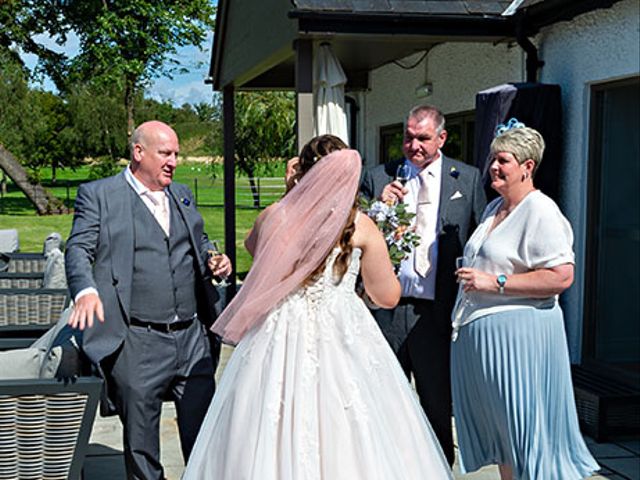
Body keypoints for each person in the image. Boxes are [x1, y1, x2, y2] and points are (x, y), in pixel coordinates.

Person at [183, 135, 453, 479]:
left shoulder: (274, 217)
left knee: (267, 428)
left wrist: (290, 193)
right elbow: (388, 297)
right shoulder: (360, 225)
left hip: (278, 331)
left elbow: (254, 248)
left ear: (303, 171)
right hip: (341, 330)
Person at [65, 120, 232, 480]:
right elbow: (78, 247)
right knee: (141, 445)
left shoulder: (182, 194)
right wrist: (85, 289)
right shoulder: (100, 195)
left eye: (176, 153)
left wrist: (214, 258)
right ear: (139, 152)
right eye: (166, 153)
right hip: (138, 340)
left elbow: (199, 242)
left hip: (192, 339)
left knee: (205, 436)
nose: (174, 161)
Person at [451, 124, 599, 479]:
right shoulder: (494, 209)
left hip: (521, 342)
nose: (494, 168)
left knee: (525, 434)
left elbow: (561, 276)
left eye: (503, 160)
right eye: (492, 160)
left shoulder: (541, 211)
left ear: (527, 167)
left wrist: (496, 281)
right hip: (484, 338)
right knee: (506, 438)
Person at [359, 104, 486, 464]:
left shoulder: (468, 178)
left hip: (436, 314)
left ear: (442, 138)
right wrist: (376, 210)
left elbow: (479, 243)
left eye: (423, 138)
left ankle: (439, 471)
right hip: (387, 311)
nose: (413, 145)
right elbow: (352, 237)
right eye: (408, 137)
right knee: (384, 406)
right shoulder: (378, 178)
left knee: (436, 408)